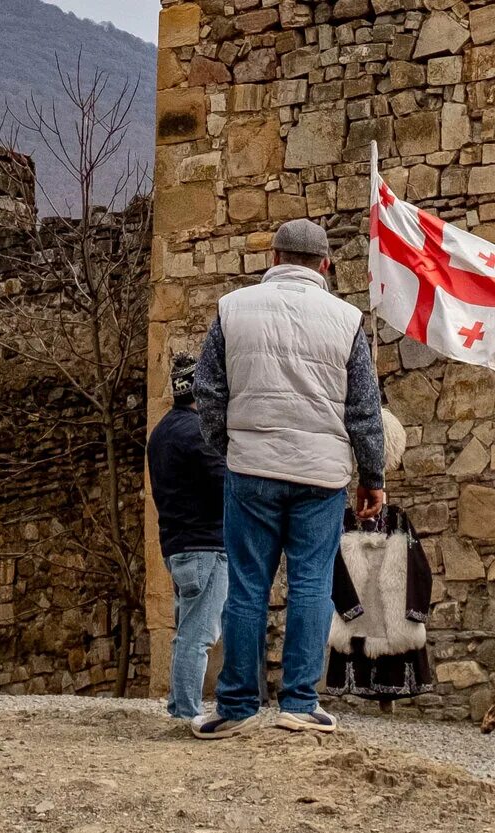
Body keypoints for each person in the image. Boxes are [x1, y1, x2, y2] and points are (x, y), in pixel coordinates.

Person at [191, 219, 385, 739]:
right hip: (321, 477)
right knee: (310, 585)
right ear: (324, 265)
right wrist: (373, 477)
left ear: (273, 257)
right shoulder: (346, 320)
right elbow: (365, 410)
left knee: (248, 586)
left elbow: (206, 390)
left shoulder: (233, 309)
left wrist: (230, 447)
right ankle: (300, 701)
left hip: (251, 469)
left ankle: (235, 705)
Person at [146, 352, 228, 720]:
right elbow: (226, 484)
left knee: (186, 630)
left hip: (176, 544)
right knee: (199, 635)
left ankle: (180, 704)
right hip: (204, 544)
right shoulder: (198, 433)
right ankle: (186, 712)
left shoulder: (161, 431)